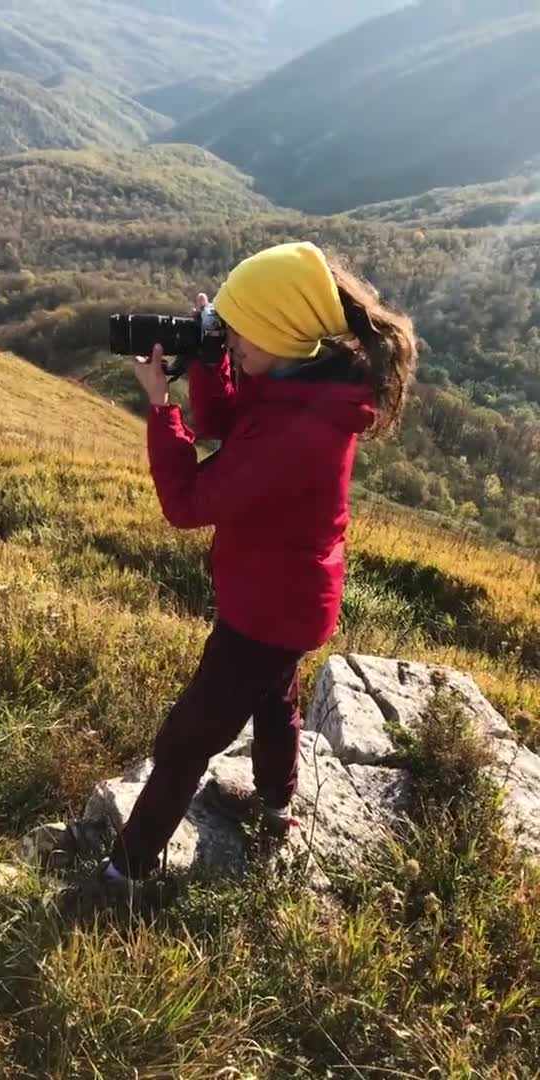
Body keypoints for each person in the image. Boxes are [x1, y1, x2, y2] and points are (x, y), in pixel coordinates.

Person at [102, 241, 417, 883]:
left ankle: (123, 876)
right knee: (276, 702)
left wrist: (162, 409)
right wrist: (215, 360)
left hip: (266, 613)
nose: (234, 338)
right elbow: (227, 422)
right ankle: (278, 810)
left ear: (280, 331)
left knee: (186, 741)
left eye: (242, 330)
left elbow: (188, 502)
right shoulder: (299, 383)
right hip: (293, 598)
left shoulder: (296, 434)